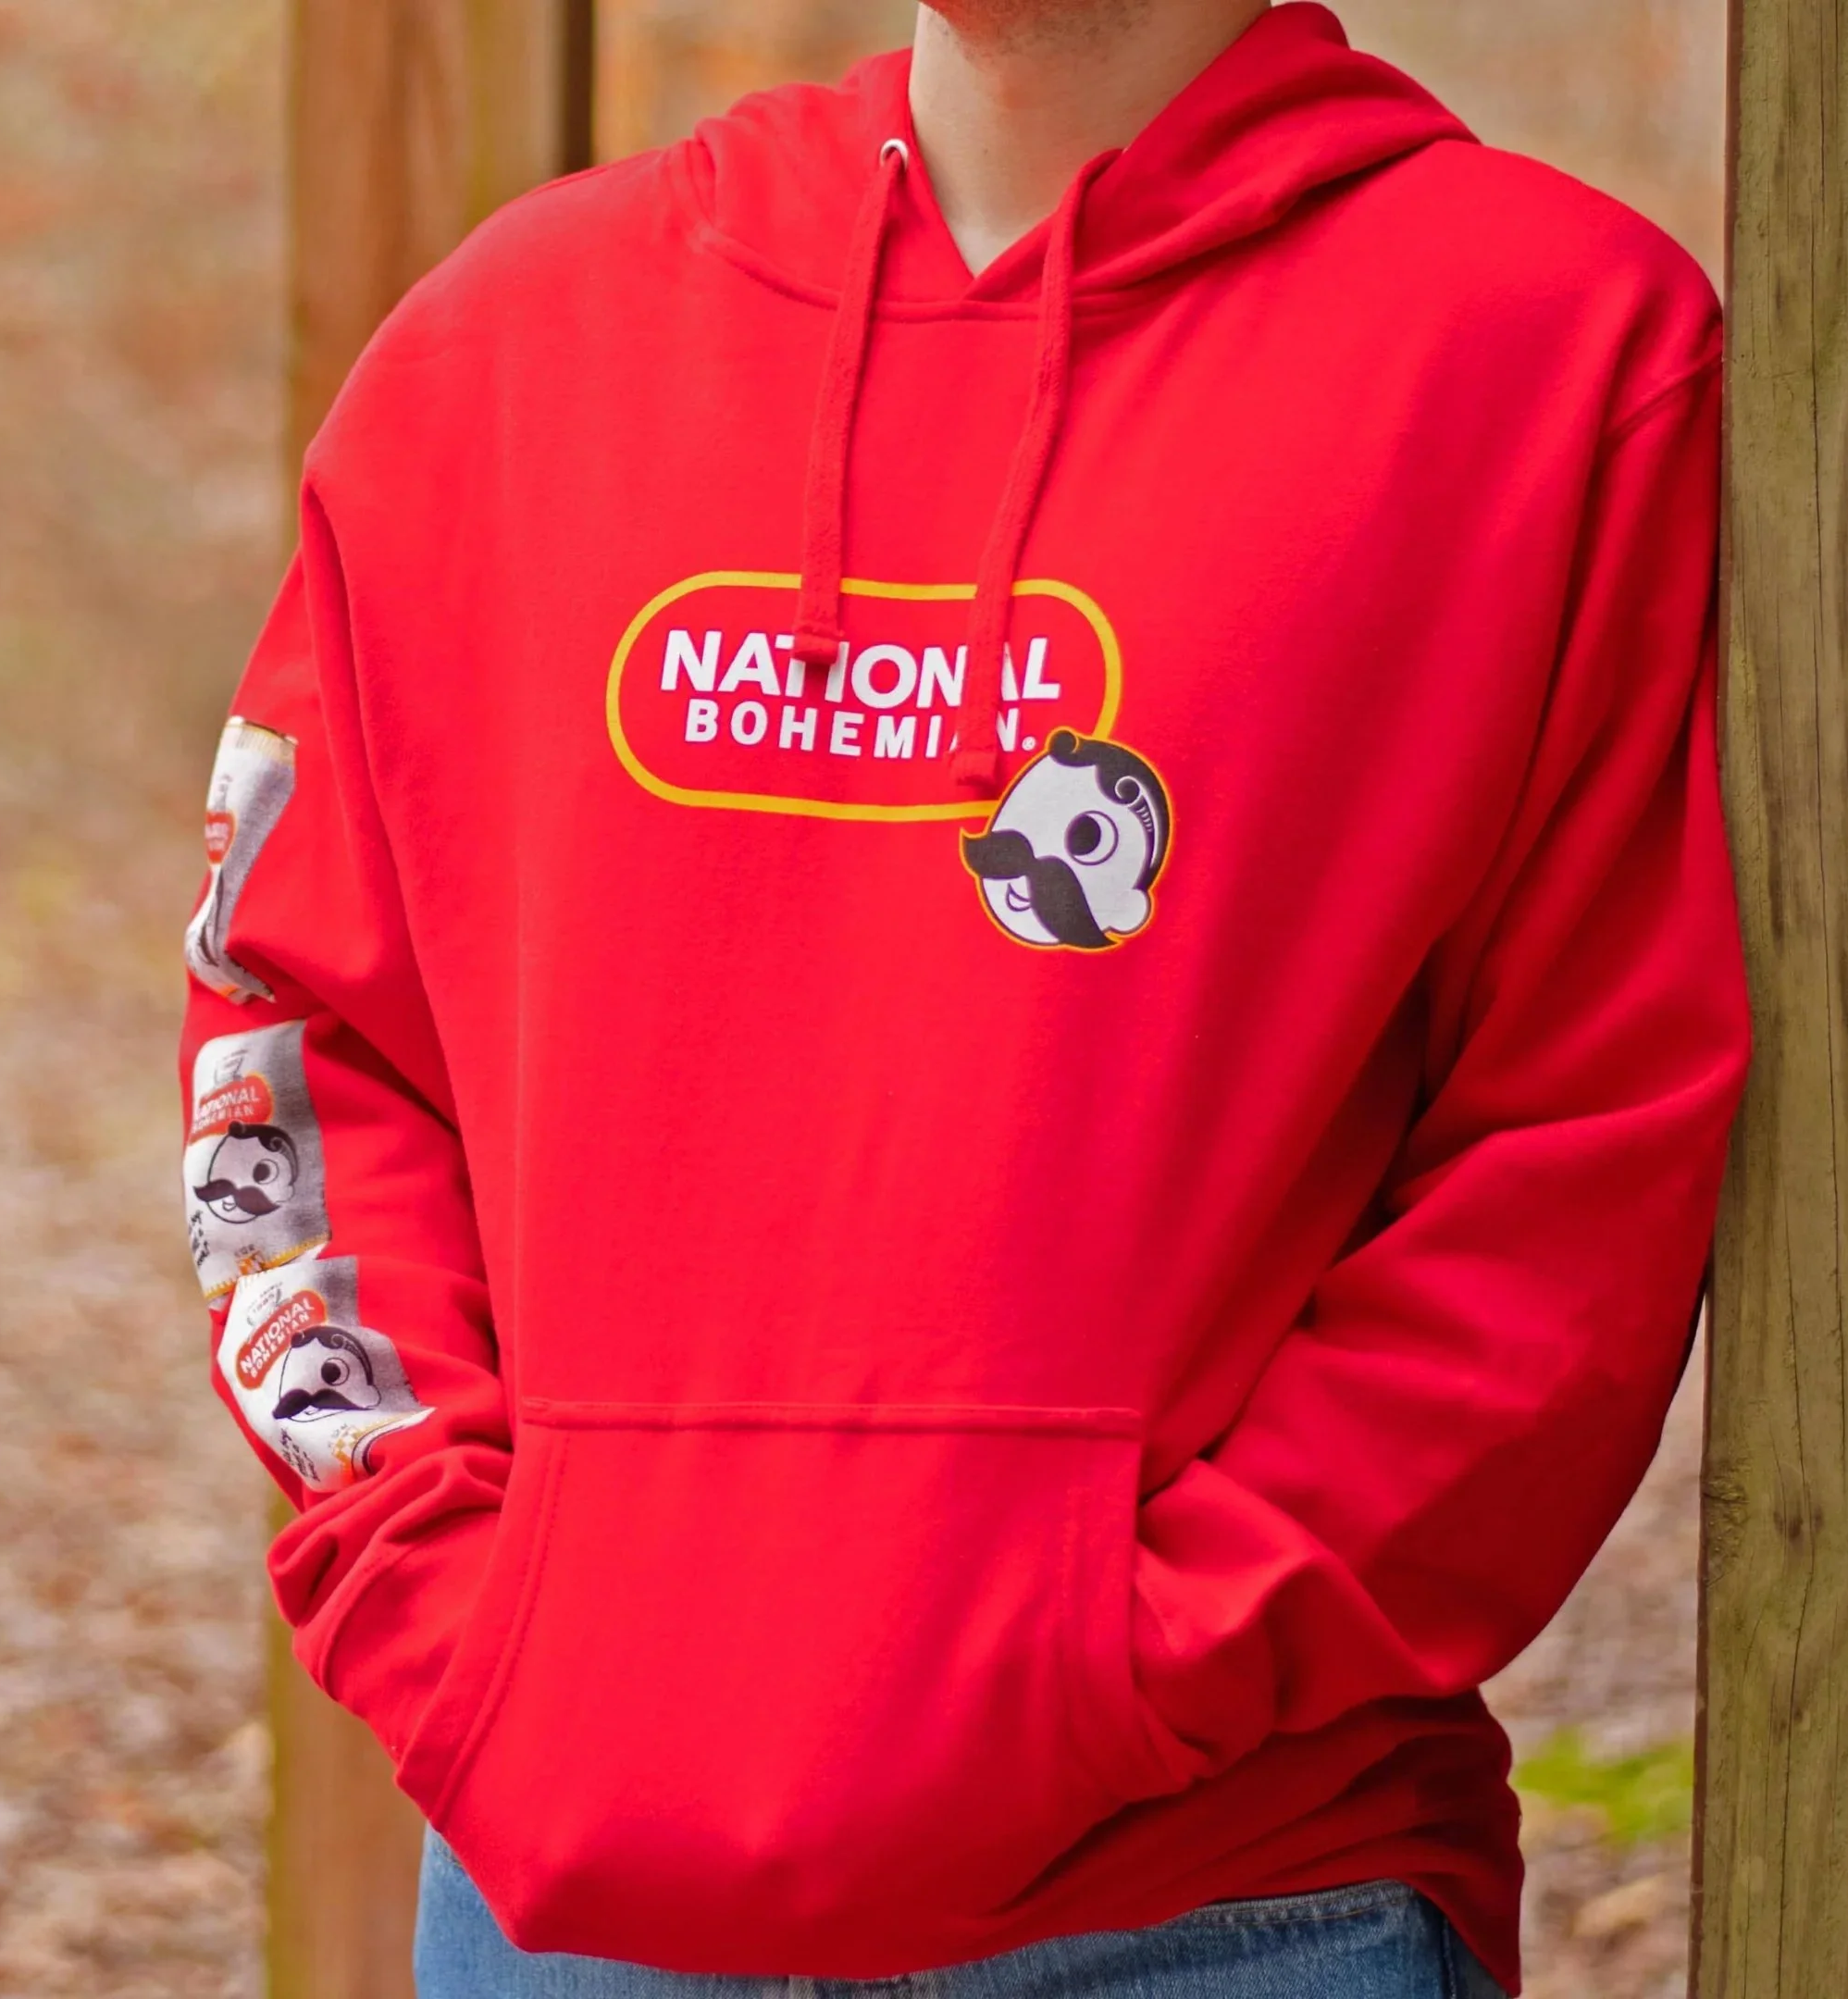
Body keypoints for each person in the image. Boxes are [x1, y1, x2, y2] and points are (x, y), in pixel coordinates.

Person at [177, 1, 1751, 1993]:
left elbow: (1586, 1149)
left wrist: (1137, 1657)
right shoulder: (508, 345)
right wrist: (458, 1615)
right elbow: (298, 1028)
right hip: (560, 1916)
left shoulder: (1550, 351)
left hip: (1227, 1899)